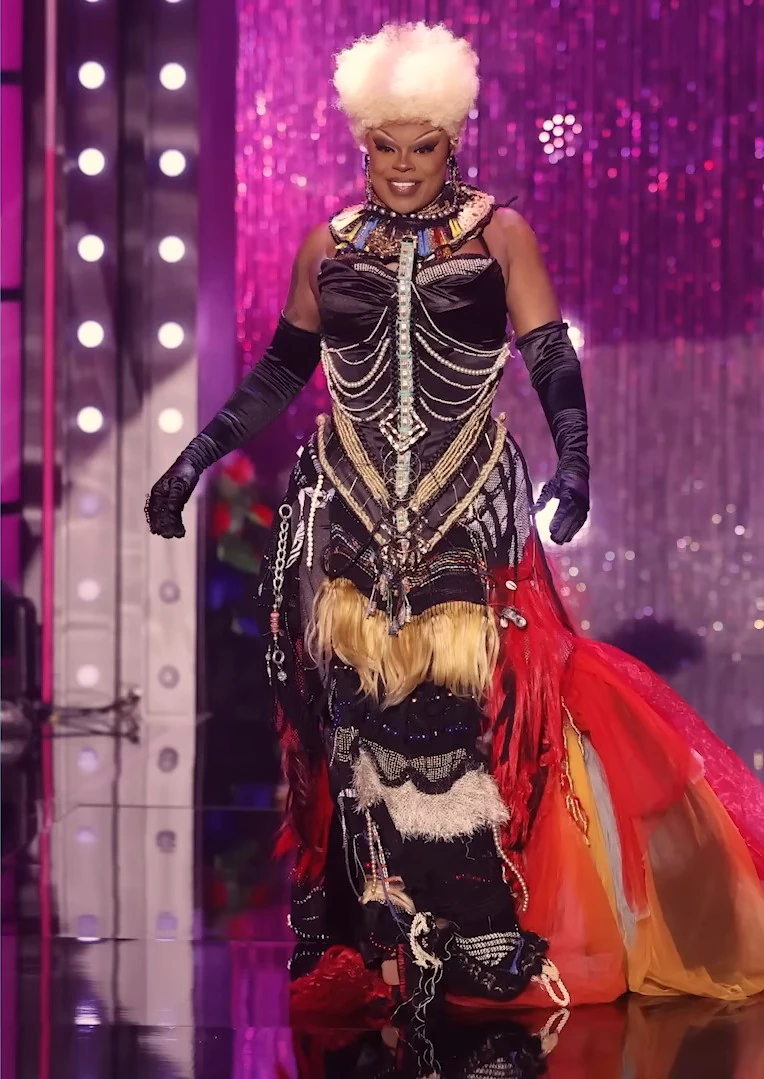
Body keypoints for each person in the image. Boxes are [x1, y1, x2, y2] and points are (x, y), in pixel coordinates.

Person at [146, 22, 764, 1019]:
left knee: (446, 713)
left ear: (453, 139)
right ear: (363, 144)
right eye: (384, 146)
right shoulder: (328, 245)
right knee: (350, 716)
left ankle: (474, 914)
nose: (402, 165)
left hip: (461, 493)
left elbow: (548, 353)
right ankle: (372, 922)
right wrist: (192, 458)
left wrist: (575, 457)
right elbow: (280, 369)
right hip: (345, 500)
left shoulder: (498, 233)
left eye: (422, 145)